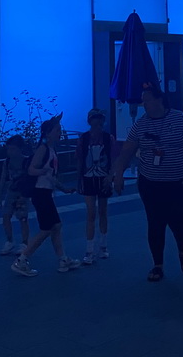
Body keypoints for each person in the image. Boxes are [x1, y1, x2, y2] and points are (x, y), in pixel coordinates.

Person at [111, 87, 183, 283]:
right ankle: (158, 264)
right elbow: (127, 151)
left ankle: (182, 250)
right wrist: (118, 173)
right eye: (142, 101)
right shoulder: (140, 125)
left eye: (146, 100)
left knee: (179, 221)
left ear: (159, 100)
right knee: (155, 222)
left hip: (178, 182)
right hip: (150, 183)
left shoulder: (180, 119)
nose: (143, 104)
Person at [10, 115, 82, 277]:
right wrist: (42, 171)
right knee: (46, 229)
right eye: (57, 130)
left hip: (45, 193)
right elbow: (32, 170)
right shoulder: (43, 149)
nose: (60, 133)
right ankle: (22, 260)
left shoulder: (49, 149)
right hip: (40, 193)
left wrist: (63, 188)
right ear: (48, 133)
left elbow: (51, 174)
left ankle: (63, 259)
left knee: (56, 226)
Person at [76, 108, 114, 264]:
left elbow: (114, 158)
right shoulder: (83, 139)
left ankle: (103, 246)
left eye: (100, 121)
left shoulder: (108, 138)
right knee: (91, 212)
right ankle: (90, 249)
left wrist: (110, 177)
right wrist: (78, 179)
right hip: (88, 178)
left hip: (103, 178)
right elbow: (79, 160)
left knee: (103, 211)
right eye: (94, 121)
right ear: (90, 122)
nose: (97, 124)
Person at [0, 134, 30, 256]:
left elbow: (30, 178)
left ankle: (24, 243)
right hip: (11, 192)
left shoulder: (26, 161)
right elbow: (3, 178)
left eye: (13, 149)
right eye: (8, 149)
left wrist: (27, 194)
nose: (10, 152)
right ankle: (10, 241)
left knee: (23, 218)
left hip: (22, 193)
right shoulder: (7, 162)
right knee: (6, 217)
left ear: (20, 149)